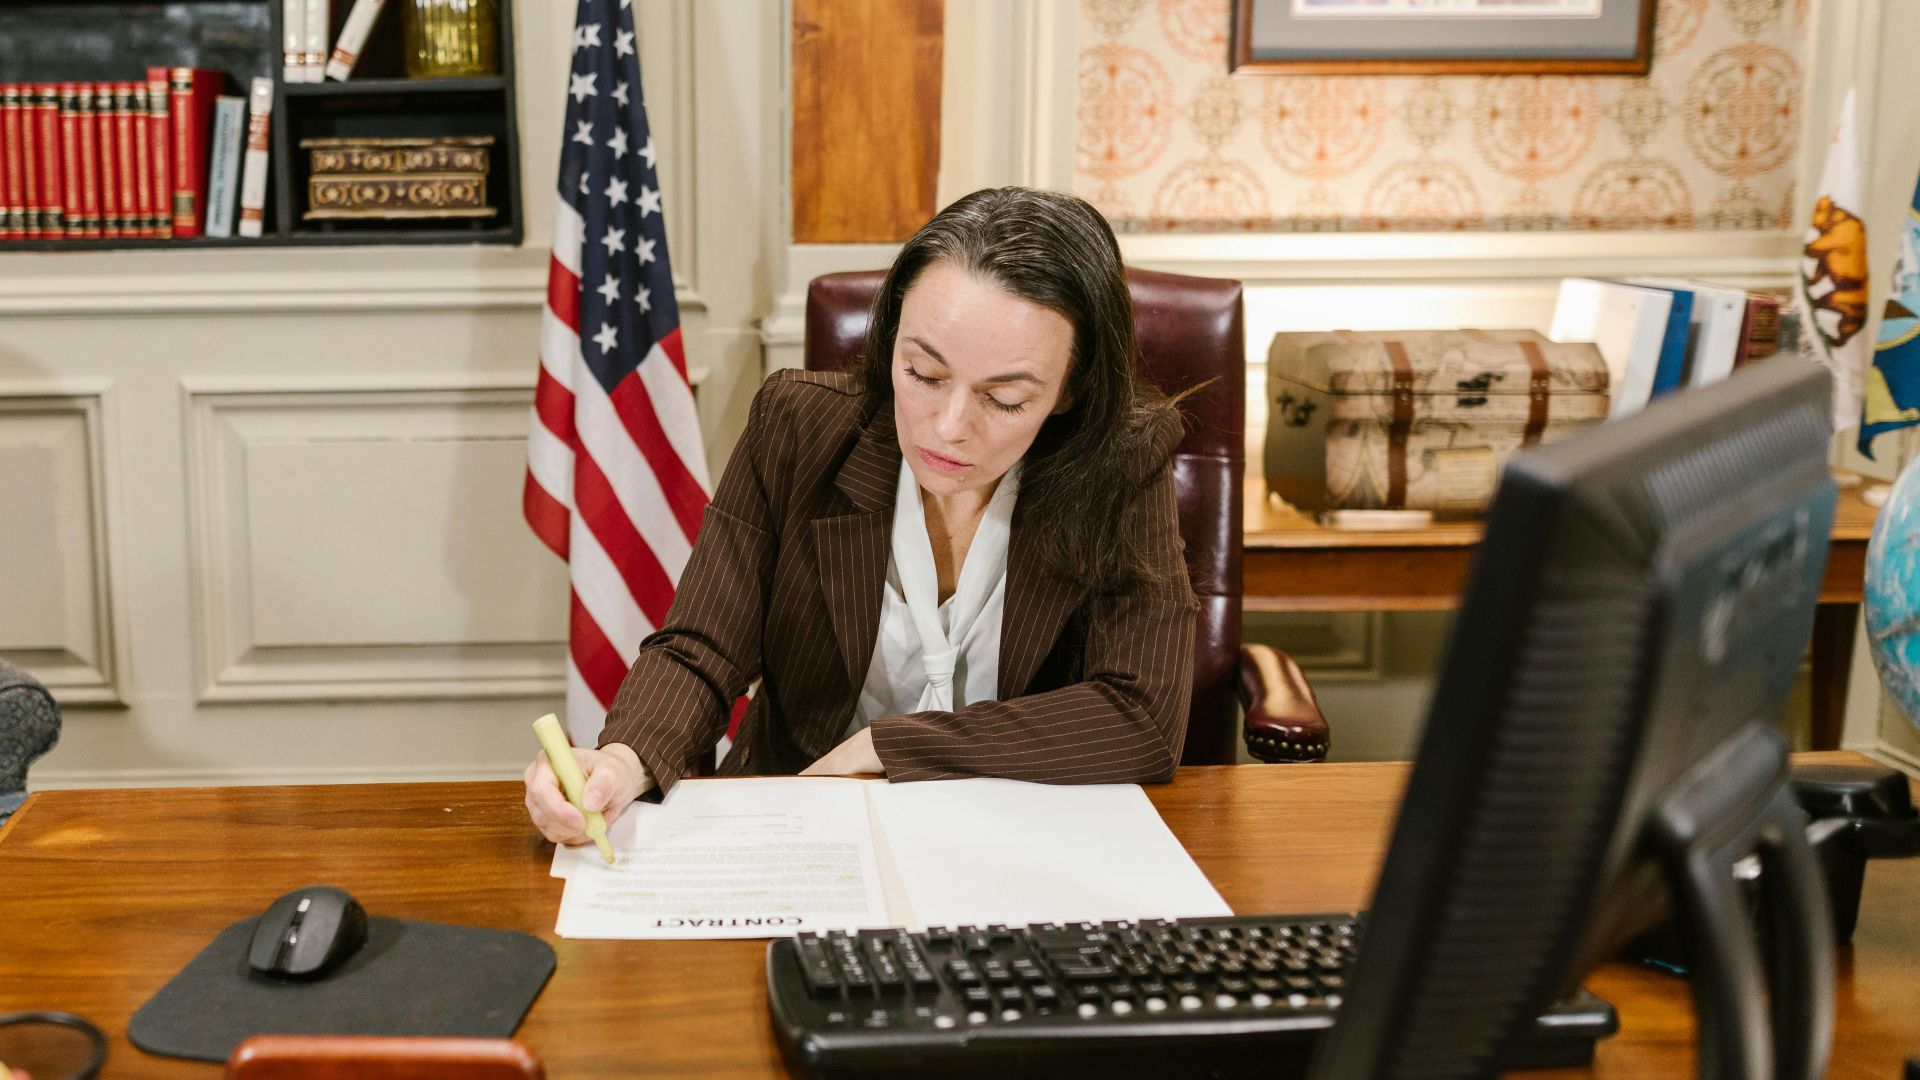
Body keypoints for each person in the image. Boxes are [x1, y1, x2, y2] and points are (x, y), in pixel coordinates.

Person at [525, 187, 1199, 848]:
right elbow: (702, 648)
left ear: (1070, 390)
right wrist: (622, 759)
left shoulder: (1122, 461)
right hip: (801, 822)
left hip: (1015, 837)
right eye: (923, 374)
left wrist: (889, 747)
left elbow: (1140, 714)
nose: (949, 427)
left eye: (1005, 398)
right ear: (891, 341)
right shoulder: (798, 426)